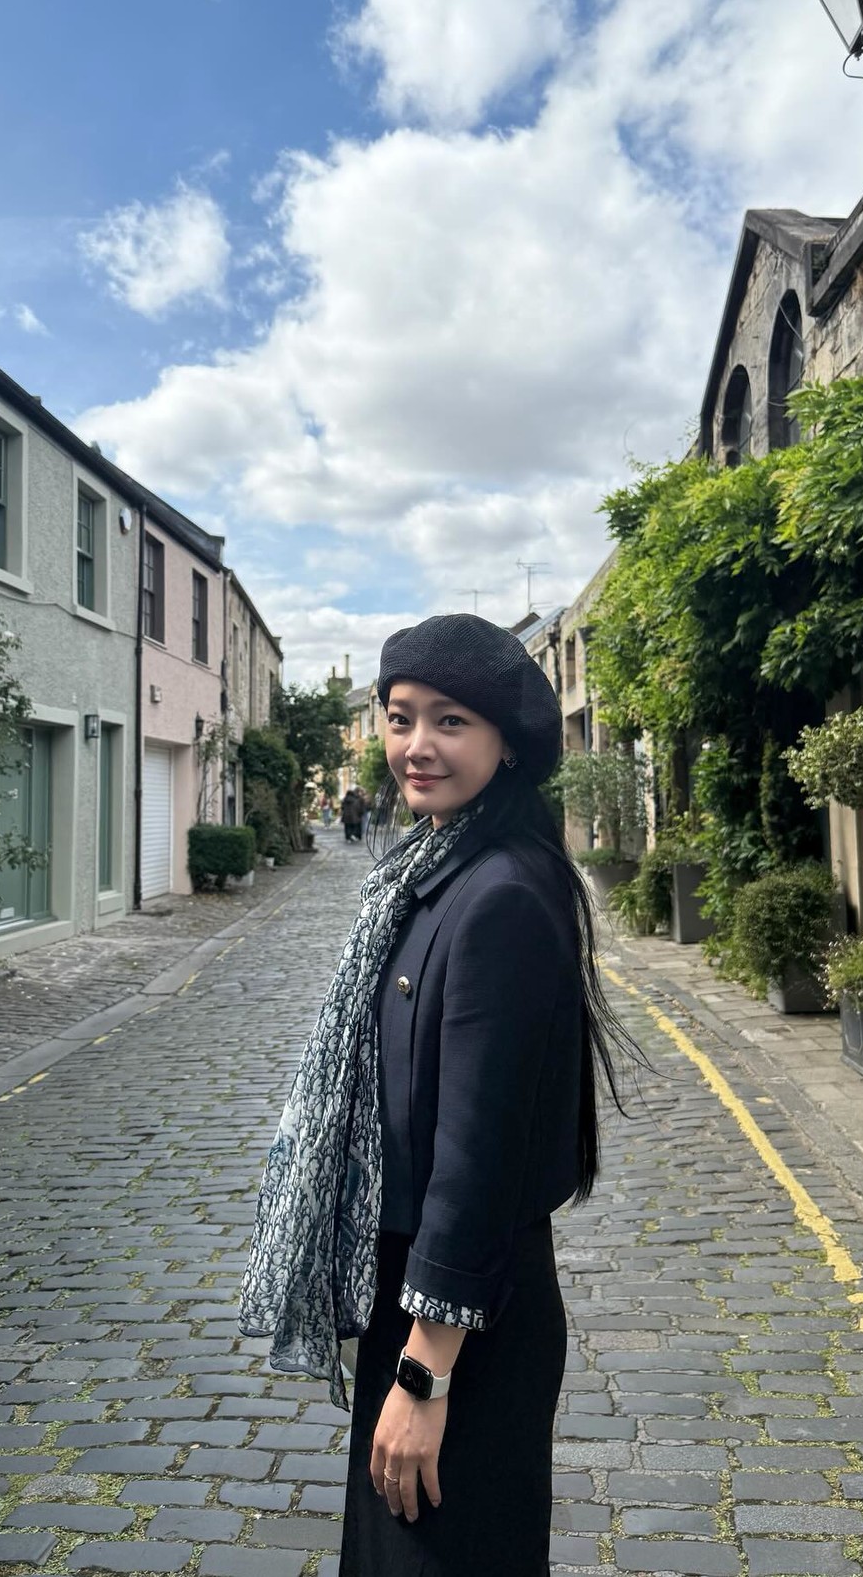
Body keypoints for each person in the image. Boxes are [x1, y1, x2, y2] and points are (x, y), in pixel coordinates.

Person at [240, 614, 638, 1576]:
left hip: (463, 1321)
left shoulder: (500, 895)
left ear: (508, 743)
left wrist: (424, 1373)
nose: (417, 744)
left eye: (450, 721)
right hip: (418, 1301)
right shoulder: (428, 872)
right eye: (400, 716)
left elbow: (476, 1159)